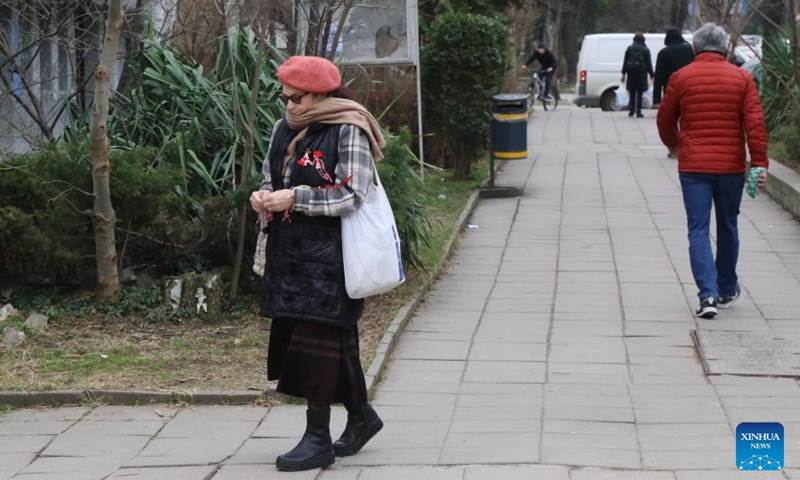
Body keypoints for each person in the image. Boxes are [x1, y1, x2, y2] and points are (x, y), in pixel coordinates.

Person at [249, 55, 385, 472]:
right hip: (290, 255)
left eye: (298, 97)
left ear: (321, 93)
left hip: (332, 258)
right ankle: (361, 417)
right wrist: (263, 195)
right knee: (330, 342)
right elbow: (272, 178)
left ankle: (317, 439)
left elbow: (352, 194)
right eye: (284, 96)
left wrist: (296, 199)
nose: (289, 105)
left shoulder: (348, 127)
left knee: (316, 349)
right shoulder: (281, 129)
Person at [656, 23, 769, 319]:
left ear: (695, 48)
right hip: (730, 166)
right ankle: (726, 288)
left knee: (698, 230)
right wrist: (758, 163)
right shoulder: (742, 78)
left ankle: (707, 296)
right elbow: (755, 124)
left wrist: (674, 144)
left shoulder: (681, 78)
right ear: (725, 48)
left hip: (693, 165)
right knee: (728, 226)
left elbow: (664, 119)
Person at [653, 27, 694, 106]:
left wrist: (657, 99)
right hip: (688, 88)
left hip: (670, 89)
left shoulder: (663, 53)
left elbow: (658, 77)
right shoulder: (691, 50)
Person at [621, 32, 654, 118]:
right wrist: (652, 75)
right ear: (643, 40)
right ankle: (638, 111)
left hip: (631, 72)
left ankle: (631, 110)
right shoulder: (645, 49)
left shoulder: (629, 48)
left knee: (632, 91)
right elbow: (649, 63)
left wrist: (623, 73)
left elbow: (625, 61)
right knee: (639, 92)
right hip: (641, 72)